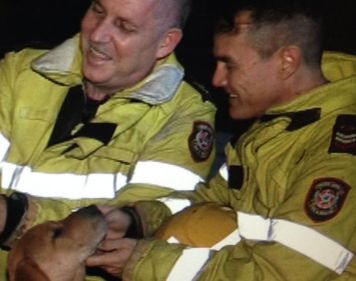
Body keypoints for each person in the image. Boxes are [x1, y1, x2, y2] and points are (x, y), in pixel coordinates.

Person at [0, 0, 217, 280]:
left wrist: (18, 218)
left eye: (124, 26)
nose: (97, 35)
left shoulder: (184, 115)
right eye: (97, 10)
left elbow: (149, 217)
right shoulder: (22, 71)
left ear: (165, 43)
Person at [86, 1, 356, 280]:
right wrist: (136, 221)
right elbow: (207, 200)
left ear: (286, 62)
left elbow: (282, 275)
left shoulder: (339, 152)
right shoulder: (275, 130)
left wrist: (144, 263)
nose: (217, 79)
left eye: (229, 64)